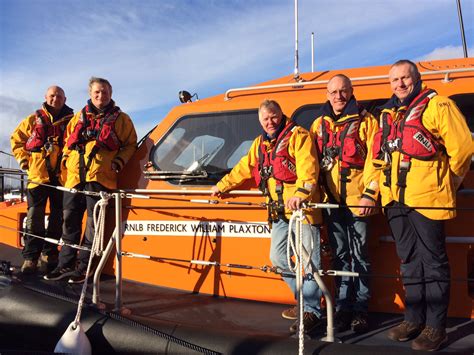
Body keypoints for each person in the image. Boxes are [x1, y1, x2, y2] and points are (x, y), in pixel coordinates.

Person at [372, 60, 472, 351]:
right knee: (410, 262)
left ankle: (435, 327)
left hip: (428, 199)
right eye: (394, 80)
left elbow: (463, 148)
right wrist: (372, 191)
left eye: (405, 78)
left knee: (434, 263)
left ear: (417, 79)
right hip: (396, 201)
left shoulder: (438, 106)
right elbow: (376, 160)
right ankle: (413, 319)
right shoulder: (387, 116)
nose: (400, 84)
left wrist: (448, 182)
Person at [211, 99, 324, 334]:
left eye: (274, 117)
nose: (270, 122)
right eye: (265, 119)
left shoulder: (298, 136)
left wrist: (302, 194)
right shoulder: (259, 144)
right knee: (278, 258)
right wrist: (221, 186)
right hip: (279, 212)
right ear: (260, 121)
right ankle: (304, 301)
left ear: (281, 114)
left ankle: (313, 312)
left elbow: (308, 168)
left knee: (308, 262)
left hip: (303, 212)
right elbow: (243, 167)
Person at [44, 77, 137, 283]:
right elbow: (68, 144)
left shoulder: (122, 120)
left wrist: (119, 162)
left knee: (93, 227)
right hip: (75, 179)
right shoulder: (78, 117)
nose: (100, 96)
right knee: (69, 222)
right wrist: (66, 163)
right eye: (97, 92)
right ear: (90, 93)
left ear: (110, 94)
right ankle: (64, 264)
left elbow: (131, 144)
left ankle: (84, 267)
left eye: (104, 92)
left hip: (100, 179)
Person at [309, 74, 379, 333]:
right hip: (331, 203)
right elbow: (310, 163)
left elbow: (376, 160)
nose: (338, 96)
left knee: (360, 256)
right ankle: (342, 309)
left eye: (343, 91)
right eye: (333, 92)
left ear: (351, 92)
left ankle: (360, 310)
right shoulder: (318, 125)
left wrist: (370, 194)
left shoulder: (367, 121)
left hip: (358, 202)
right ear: (327, 94)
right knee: (339, 258)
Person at [11, 86, 74, 274]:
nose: (56, 99)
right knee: (34, 218)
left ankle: (50, 254)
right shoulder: (33, 120)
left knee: (57, 217)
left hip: (61, 178)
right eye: (52, 95)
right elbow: (16, 140)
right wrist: (24, 160)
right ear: (46, 97)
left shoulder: (72, 121)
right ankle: (31, 257)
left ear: (65, 99)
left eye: (59, 96)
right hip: (37, 176)